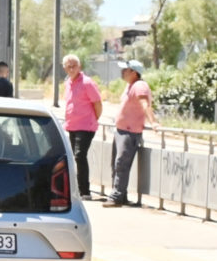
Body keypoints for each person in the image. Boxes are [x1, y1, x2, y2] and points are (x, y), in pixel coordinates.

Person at [105, 61, 153, 207]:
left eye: (125, 70)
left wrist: (153, 121)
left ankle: (117, 197)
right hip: (122, 130)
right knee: (116, 164)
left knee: (121, 163)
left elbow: (145, 104)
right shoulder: (130, 86)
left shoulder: (139, 86)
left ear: (134, 72)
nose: (122, 72)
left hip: (129, 132)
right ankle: (120, 195)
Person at [61, 53, 104, 202]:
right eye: (68, 66)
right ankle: (78, 189)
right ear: (65, 68)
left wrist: (93, 119)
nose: (71, 68)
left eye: (74, 65)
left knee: (80, 155)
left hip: (85, 126)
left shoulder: (87, 83)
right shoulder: (68, 83)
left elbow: (98, 103)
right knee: (75, 157)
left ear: (79, 66)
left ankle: (85, 191)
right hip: (72, 126)